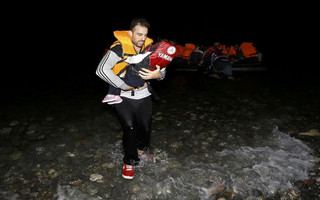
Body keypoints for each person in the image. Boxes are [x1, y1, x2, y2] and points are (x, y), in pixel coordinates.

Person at [96, 18, 166, 179]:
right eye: (139, 34)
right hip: (123, 97)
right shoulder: (119, 49)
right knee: (130, 128)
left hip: (143, 95)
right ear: (130, 33)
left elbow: (162, 70)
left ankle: (141, 151)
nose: (142, 38)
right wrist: (122, 85)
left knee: (145, 129)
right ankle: (129, 161)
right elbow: (100, 70)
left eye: (145, 35)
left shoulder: (150, 48)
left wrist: (159, 74)